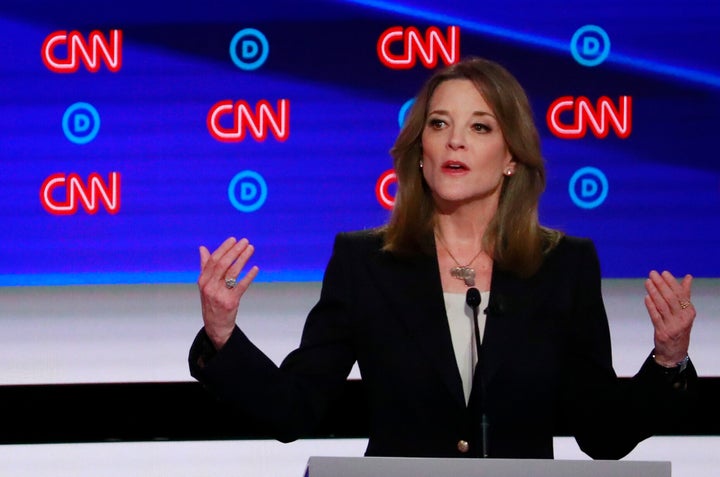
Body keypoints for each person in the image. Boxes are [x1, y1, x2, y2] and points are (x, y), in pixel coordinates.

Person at [189, 56, 697, 459]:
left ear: (512, 157)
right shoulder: (365, 263)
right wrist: (222, 335)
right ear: (420, 150)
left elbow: (602, 435)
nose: (455, 139)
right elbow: (294, 411)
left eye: (480, 127)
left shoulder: (563, 266)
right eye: (439, 124)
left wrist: (668, 360)